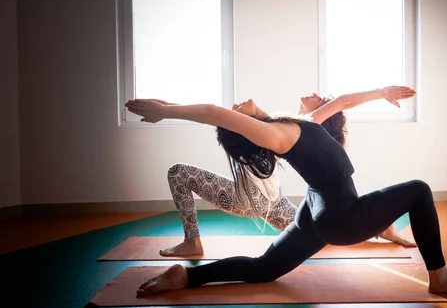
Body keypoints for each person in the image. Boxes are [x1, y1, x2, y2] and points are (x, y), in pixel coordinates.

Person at [126, 87, 447, 296]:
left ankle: (188, 276)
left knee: (265, 268)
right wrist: (165, 110)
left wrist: (382, 93)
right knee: (419, 190)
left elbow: (341, 102)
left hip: (315, 211)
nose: (236, 107)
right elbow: (212, 111)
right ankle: (439, 276)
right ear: (250, 132)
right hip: (338, 216)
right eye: (235, 116)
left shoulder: (296, 123)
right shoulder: (277, 135)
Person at [159, 88, 416, 257]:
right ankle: (380, 229)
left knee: (177, 172)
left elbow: (341, 102)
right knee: (319, 233)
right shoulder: (281, 126)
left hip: (255, 200)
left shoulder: (302, 126)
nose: (315, 93)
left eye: (320, 98)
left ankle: (192, 241)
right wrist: (167, 106)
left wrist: (164, 110)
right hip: (273, 201)